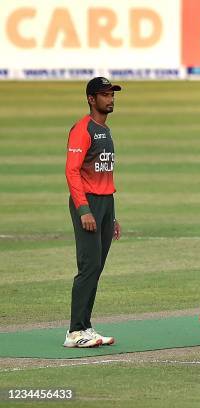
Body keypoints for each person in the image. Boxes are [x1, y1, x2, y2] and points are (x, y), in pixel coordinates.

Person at [64, 77, 122, 348]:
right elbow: (72, 170)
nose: (110, 99)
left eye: (112, 94)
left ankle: (86, 326)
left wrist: (112, 216)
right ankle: (75, 332)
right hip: (87, 203)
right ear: (91, 99)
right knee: (88, 266)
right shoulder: (82, 129)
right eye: (104, 95)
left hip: (104, 204)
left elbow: (104, 174)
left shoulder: (105, 130)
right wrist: (83, 209)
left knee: (96, 268)